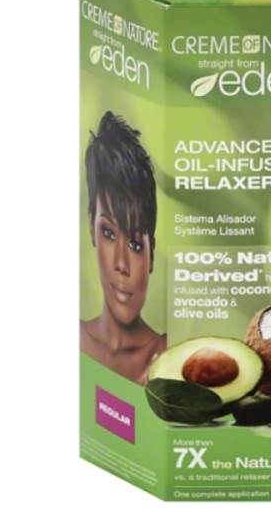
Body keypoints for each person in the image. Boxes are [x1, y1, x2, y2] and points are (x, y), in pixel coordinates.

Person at [80, 111, 166, 384]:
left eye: (135, 244)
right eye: (108, 232)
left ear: (151, 255)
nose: (121, 264)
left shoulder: (167, 355)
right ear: (91, 227)